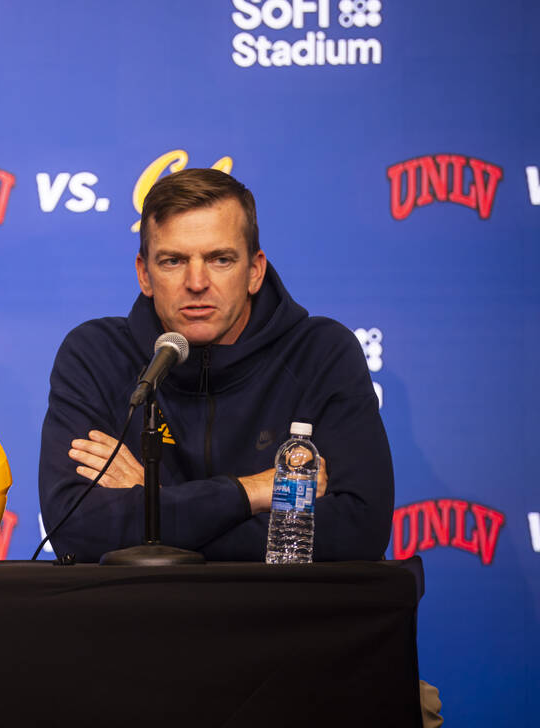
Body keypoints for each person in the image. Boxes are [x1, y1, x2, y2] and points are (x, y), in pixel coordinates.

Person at [38, 168, 394, 561]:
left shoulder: (321, 352)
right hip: (140, 619)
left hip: (285, 619)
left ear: (254, 271)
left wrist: (155, 506)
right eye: (173, 261)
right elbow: (75, 530)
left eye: (220, 259)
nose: (196, 282)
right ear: (144, 274)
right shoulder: (96, 356)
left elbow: (358, 531)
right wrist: (251, 492)